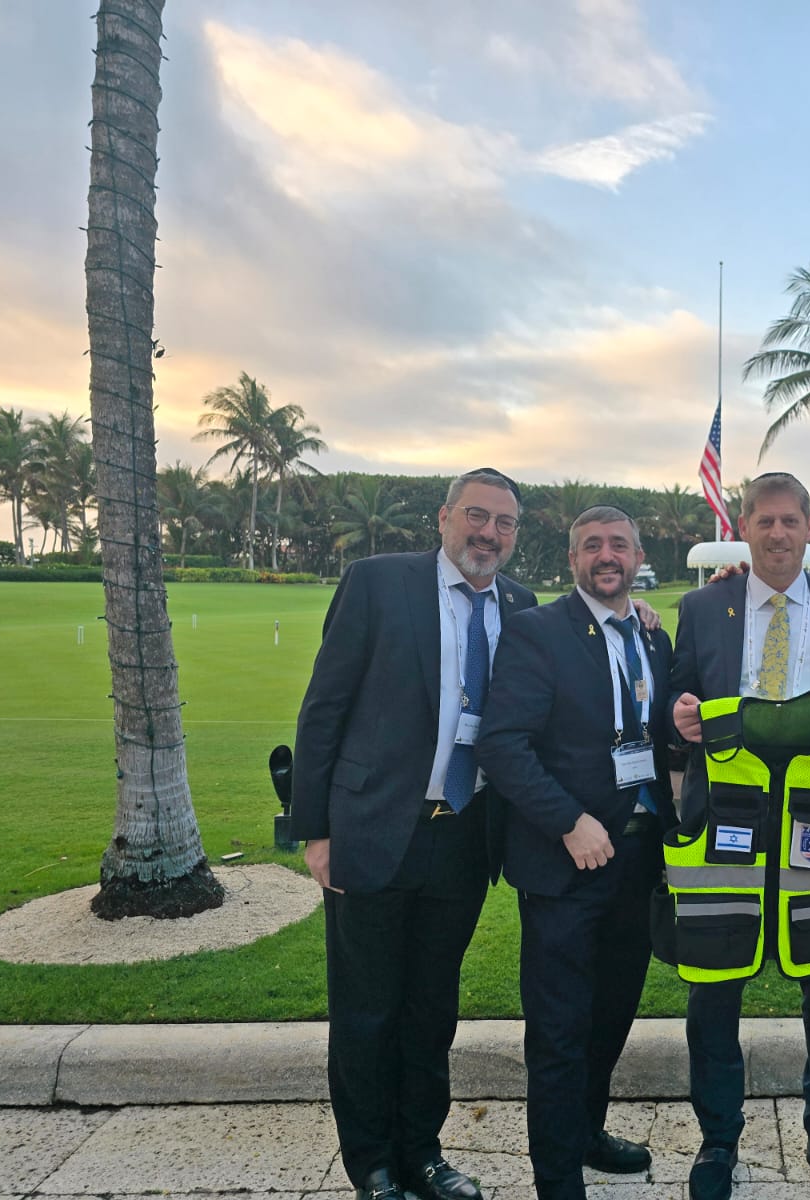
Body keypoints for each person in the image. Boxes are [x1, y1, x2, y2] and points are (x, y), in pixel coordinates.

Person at [290, 468, 535, 1200]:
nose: (488, 533)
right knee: (366, 1010)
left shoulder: (522, 606)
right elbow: (323, 709)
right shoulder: (377, 583)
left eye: (504, 523)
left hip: (464, 838)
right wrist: (315, 830)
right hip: (372, 830)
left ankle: (423, 1153)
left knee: (432, 1010)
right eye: (476, 516)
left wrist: (641, 613)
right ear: (444, 517)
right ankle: (372, 1164)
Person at [669, 472, 810, 1200]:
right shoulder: (703, 606)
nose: (776, 533)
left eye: (789, 521)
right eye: (763, 521)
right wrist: (677, 715)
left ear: (808, 527)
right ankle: (717, 1142)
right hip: (725, 822)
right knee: (715, 990)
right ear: (744, 526)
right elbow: (675, 694)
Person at [477, 506, 675, 1200]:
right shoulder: (537, 631)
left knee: (611, 1017)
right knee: (559, 1033)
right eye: (592, 545)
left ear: (638, 557)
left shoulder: (651, 635)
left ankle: (587, 1132)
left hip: (639, 860)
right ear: (572, 560)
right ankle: (558, 1180)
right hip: (566, 865)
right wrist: (568, 821)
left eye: (619, 544)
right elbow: (502, 743)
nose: (606, 555)